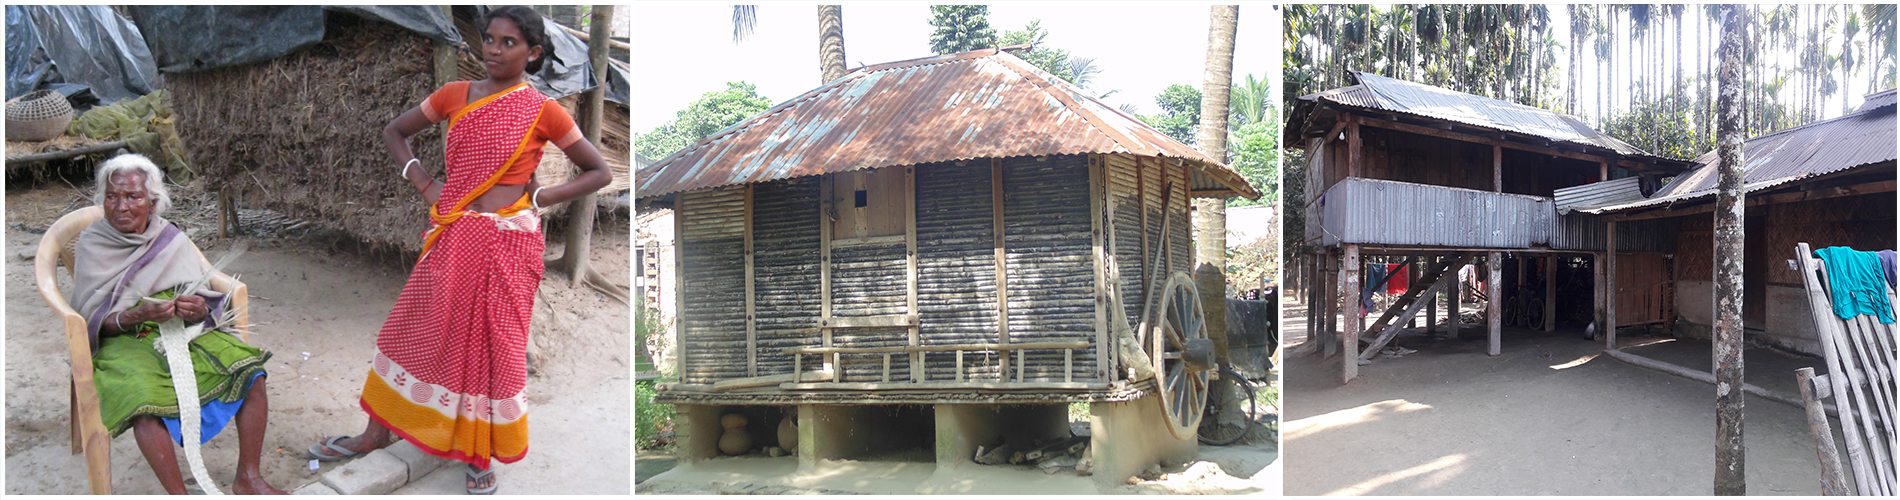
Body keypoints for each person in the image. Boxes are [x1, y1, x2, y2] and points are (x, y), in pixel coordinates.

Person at [305, 6, 611, 495]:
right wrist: (424, 183)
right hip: (455, 234)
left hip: (510, 243)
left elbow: (599, 171)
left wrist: (541, 197)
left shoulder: (543, 110)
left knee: (496, 347)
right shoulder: (455, 96)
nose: (493, 49)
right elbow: (395, 132)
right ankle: (373, 434)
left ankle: (478, 452)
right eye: (488, 39)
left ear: (532, 53)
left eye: (508, 43)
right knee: (411, 328)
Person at [75, 154, 285, 495]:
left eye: (133, 196)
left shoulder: (169, 237)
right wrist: (135, 316)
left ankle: (249, 477)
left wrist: (197, 308)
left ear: (153, 202)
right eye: (112, 196)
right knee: (142, 403)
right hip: (123, 337)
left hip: (183, 329)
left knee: (251, 373)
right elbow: (91, 320)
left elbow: (202, 295)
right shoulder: (92, 243)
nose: (121, 206)